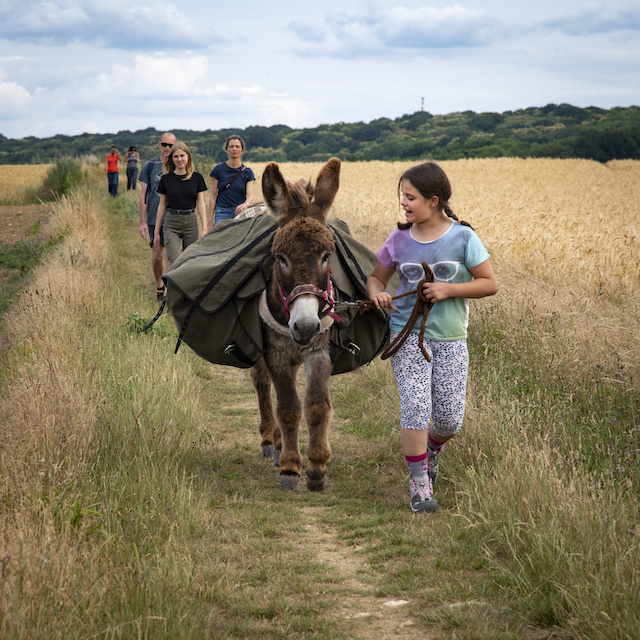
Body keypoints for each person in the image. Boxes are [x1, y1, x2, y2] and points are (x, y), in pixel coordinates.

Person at [366, 161, 498, 513]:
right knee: (416, 406)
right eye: (402, 198)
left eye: (410, 198)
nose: (404, 204)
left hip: (451, 338)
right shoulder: (398, 240)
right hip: (407, 337)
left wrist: (448, 290)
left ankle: (433, 450)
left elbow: (489, 284)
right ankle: (419, 485)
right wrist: (378, 292)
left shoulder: (463, 238)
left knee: (449, 419)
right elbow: (376, 278)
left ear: (434, 200)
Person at [153, 142, 208, 265]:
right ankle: (171, 284)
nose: (179, 159)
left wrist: (204, 227)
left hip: (191, 222)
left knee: (190, 262)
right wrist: (157, 232)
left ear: (188, 157)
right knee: (175, 262)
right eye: (176, 157)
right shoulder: (166, 179)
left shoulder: (197, 178)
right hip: (172, 223)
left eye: (182, 156)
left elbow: (201, 203)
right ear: (171, 159)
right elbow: (161, 206)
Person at [139, 132, 176, 300]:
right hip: (155, 217)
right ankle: (159, 286)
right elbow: (143, 195)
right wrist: (142, 222)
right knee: (158, 255)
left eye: (171, 145)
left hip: (175, 216)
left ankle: (170, 290)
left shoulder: (180, 163)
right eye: (165, 144)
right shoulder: (150, 166)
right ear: (159, 145)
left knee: (171, 255)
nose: (167, 148)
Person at [208, 135, 255, 225]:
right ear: (226, 149)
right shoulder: (218, 170)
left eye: (237, 147)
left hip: (241, 212)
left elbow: (250, 196)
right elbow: (213, 196)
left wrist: (246, 205)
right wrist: (210, 220)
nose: (234, 149)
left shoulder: (248, 172)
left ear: (242, 150)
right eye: (231, 146)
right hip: (222, 212)